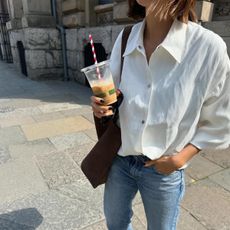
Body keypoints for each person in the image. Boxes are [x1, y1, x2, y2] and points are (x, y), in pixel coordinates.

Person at [90, 0, 230, 229]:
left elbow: (220, 119)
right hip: (120, 158)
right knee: (116, 224)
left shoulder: (207, 47)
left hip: (163, 169)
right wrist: (100, 105)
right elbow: (111, 92)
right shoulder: (126, 37)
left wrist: (180, 158)